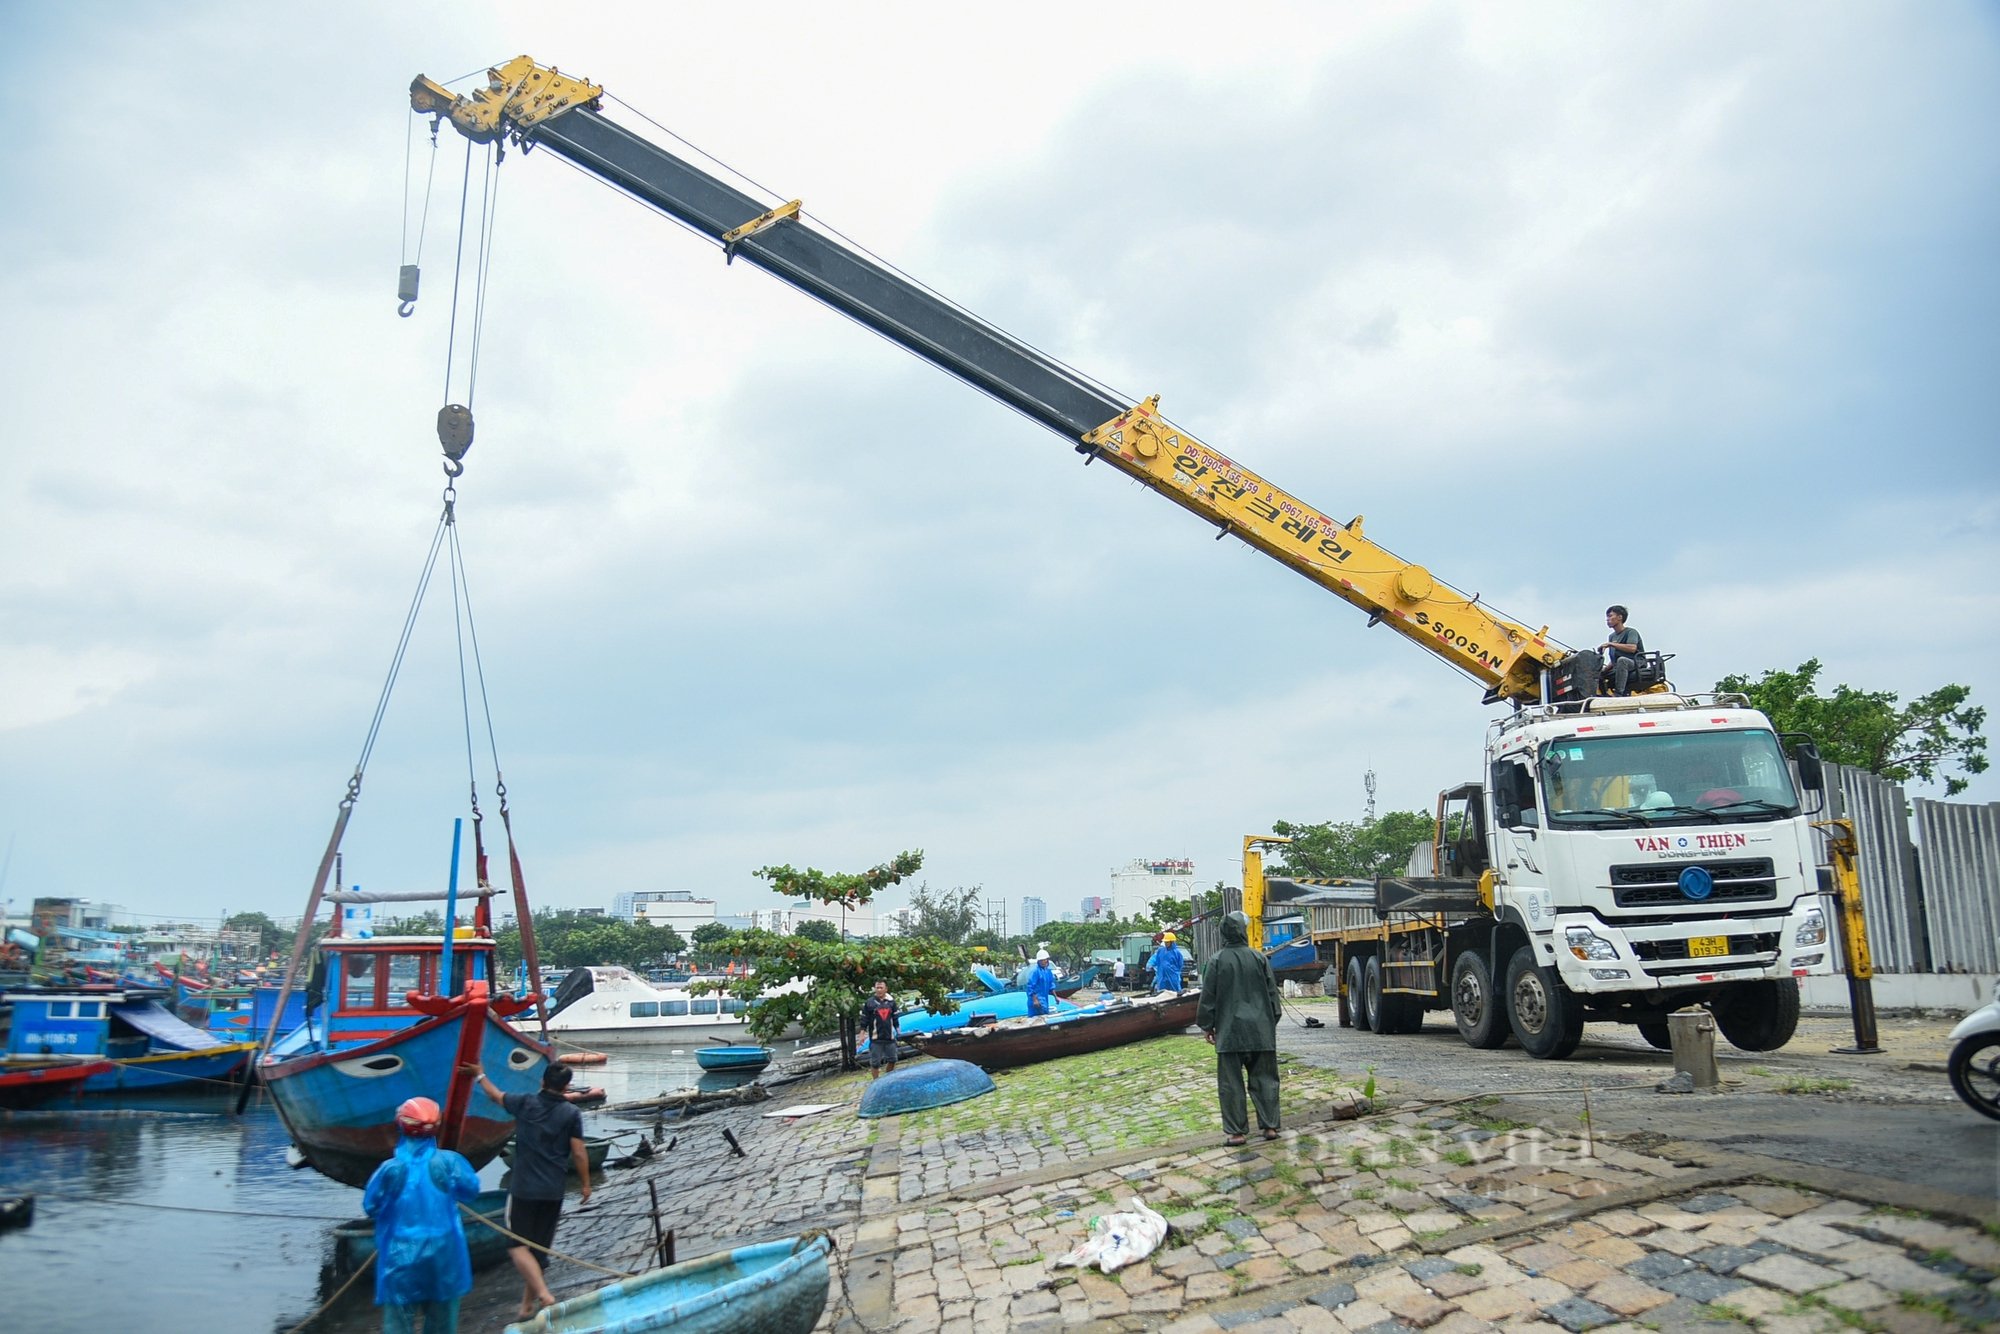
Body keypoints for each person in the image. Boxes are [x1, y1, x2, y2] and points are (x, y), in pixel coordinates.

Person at [464, 1061, 592, 1321]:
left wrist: (479, 1074)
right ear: (566, 1086)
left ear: (542, 1082)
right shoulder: (571, 1113)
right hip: (553, 1191)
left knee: (516, 1247)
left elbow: (494, 1095)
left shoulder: (525, 1103)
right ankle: (526, 1307)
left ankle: (543, 1294)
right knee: (538, 1251)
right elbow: (579, 1152)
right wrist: (586, 1184)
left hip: (524, 1189)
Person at [361, 1096, 480, 1334]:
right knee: (442, 1321)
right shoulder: (449, 1162)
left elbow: (371, 1205)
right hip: (444, 1253)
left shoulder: (390, 1169)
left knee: (399, 1323)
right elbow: (470, 1191)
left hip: (401, 1255)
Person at [1196, 911, 1283, 1146]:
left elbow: (1208, 998)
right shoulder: (1259, 959)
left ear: (1224, 934)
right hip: (1261, 1031)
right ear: (1243, 932)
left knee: (1230, 1084)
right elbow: (1274, 998)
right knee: (1266, 1079)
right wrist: (1268, 1025)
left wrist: (1207, 1026)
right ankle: (1270, 1127)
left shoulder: (1215, 961)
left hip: (1229, 1033)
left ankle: (1237, 1133)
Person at [1600, 605, 1644, 696]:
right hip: (1619, 665)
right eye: (1607, 617)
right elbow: (1614, 661)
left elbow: (1632, 648)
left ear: (1620, 617)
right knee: (1599, 673)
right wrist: (1603, 670)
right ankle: (1604, 695)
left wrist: (1611, 644)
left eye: (1610, 616)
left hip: (1636, 663)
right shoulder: (1612, 636)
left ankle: (1618, 693)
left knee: (1622, 661)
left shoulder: (1630, 632)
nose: (1607, 619)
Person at [860, 980, 900, 1079]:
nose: (879, 990)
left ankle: (887, 1078)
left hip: (889, 1037)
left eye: (881, 987)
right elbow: (864, 1020)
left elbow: (895, 1019)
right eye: (877, 988)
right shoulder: (869, 1003)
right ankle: (876, 1082)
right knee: (875, 1063)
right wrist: (862, 1034)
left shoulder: (891, 1002)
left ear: (886, 989)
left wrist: (899, 1032)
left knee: (893, 1059)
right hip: (876, 1038)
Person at [1025, 950, 1057, 1016]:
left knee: (1044, 1016)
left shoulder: (1048, 971)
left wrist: (1056, 997)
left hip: (1044, 999)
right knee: (1035, 1018)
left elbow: (1051, 985)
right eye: (1041, 960)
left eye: (1044, 960)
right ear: (1038, 961)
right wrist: (1035, 1000)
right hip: (1036, 999)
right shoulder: (1035, 971)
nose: (1043, 962)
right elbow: (1030, 986)